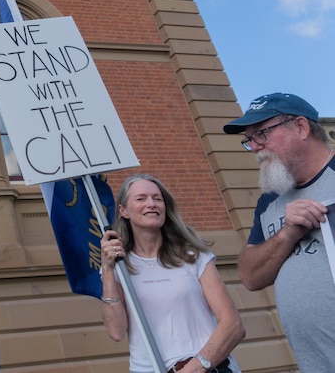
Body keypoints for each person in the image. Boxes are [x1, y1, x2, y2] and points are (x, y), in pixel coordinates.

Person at [224, 92, 335, 373]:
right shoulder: (270, 201)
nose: (256, 147)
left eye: (262, 133)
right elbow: (250, 276)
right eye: (250, 139)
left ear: (301, 127)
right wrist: (288, 234)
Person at [100, 174, 245, 373]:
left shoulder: (193, 256)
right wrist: (108, 269)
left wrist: (195, 367)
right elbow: (116, 332)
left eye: (157, 199)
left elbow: (233, 325)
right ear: (123, 210)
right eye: (141, 198)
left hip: (207, 368)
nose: (151, 204)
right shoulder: (118, 267)